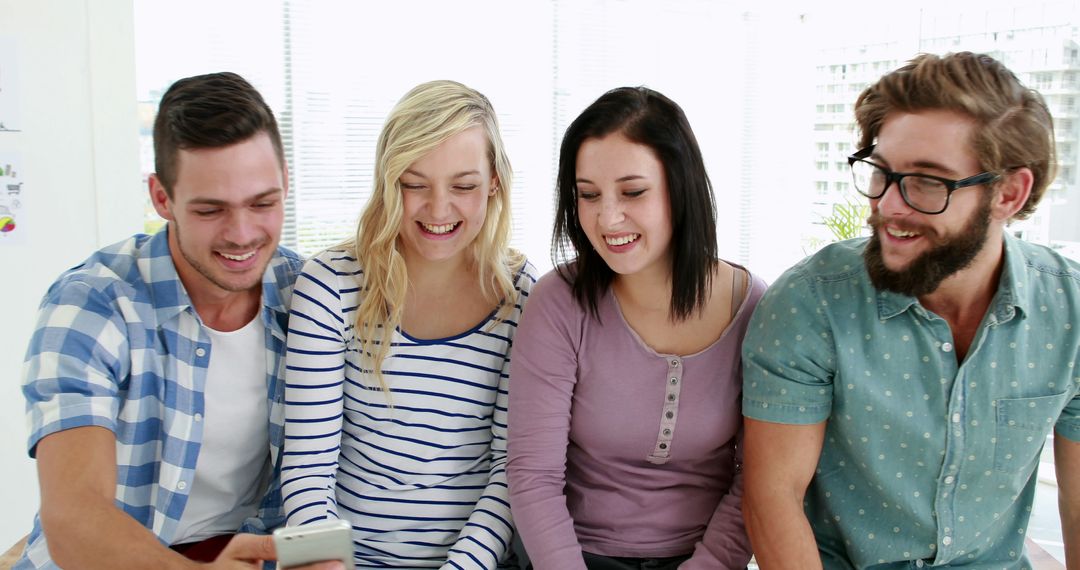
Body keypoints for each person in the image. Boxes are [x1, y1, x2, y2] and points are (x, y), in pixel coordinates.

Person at [741, 51, 1080, 569]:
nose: (888, 205)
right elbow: (774, 498)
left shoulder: (1071, 312)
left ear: (1010, 193)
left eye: (927, 182)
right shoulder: (810, 302)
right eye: (880, 172)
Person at [17, 72, 340, 569]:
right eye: (211, 209)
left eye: (263, 203)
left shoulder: (308, 296)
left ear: (286, 183)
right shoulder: (92, 304)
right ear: (161, 198)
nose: (242, 234)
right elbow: (74, 516)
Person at [279, 80, 536, 569]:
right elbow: (308, 470)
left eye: (463, 186)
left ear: (494, 182)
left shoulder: (522, 295)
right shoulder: (330, 285)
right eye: (414, 184)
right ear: (387, 181)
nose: (438, 210)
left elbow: (508, 473)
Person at [507, 86, 763, 570]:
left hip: (702, 558)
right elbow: (533, 475)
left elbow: (756, 480)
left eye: (633, 192)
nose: (607, 218)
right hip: (573, 556)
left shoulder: (757, 310)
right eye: (588, 195)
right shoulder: (557, 302)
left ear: (680, 186)